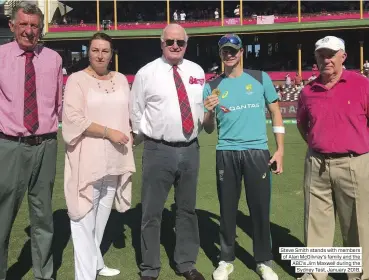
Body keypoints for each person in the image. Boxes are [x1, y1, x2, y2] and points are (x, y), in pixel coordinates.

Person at [203, 34, 284, 280]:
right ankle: (225, 260)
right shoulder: (212, 85)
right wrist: (208, 112)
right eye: (225, 51)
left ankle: (263, 261)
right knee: (227, 209)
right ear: (220, 54)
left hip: (257, 151)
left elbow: (276, 113)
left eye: (233, 50)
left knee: (259, 209)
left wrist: (279, 150)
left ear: (241, 52)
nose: (229, 55)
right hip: (226, 152)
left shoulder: (260, 78)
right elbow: (208, 128)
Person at [130, 23, 205, 280]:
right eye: (170, 41)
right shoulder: (146, 73)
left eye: (180, 42)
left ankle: (186, 263)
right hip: (157, 149)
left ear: (186, 44)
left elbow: (201, 110)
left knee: (187, 210)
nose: (175, 46)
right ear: (161, 43)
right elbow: (136, 112)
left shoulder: (197, 71)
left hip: (190, 149)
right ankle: (150, 268)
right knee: (152, 212)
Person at [62, 32, 136, 280]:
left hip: (115, 161)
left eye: (105, 50)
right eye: (95, 50)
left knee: (100, 221)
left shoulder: (121, 80)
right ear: (88, 52)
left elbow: (129, 114)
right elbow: (73, 119)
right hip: (88, 159)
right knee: (83, 219)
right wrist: (108, 132)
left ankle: (96, 263)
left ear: (111, 54)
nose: (100, 55)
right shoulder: (77, 80)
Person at [296, 36, 369, 280]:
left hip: (354, 162)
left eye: (331, 54)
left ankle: (358, 275)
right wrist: (320, 145)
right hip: (317, 163)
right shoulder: (308, 91)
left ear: (343, 56)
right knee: (315, 221)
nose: (326, 59)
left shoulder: (361, 84)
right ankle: (316, 274)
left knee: (357, 224)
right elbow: (303, 125)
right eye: (321, 55)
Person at [0, 3, 62, 280]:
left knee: (43, 216)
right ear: (12, 26)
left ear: (41, 28)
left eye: (34, 25)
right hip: (10, 146)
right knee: (3, 217)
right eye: (23, 24)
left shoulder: (53, 59)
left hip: (46, 144)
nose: (28, 30)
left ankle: (43, 274)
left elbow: (58, 103)